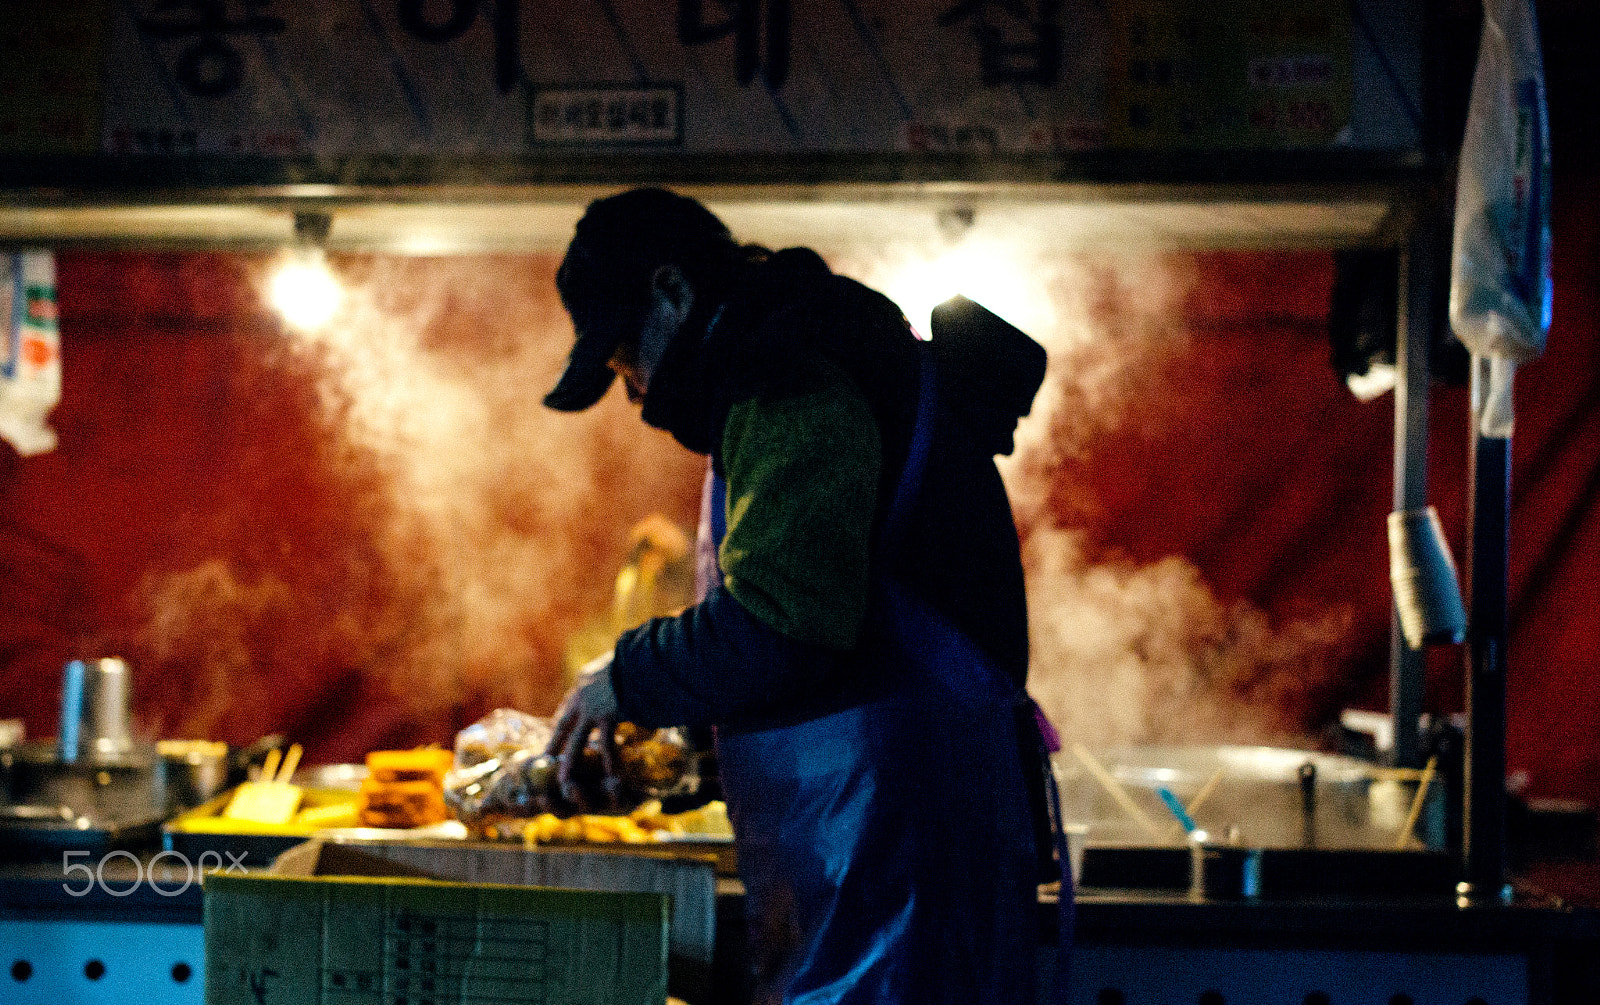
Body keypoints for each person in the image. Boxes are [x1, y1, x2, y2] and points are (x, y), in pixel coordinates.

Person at [542, 187, 1066, 1005]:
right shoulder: (787, 359)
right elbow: (830, 653)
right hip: (871, 861)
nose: (636, 393)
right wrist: (692, 766)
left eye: (624, 357)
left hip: (897, 868)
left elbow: (787, 625)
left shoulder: (790, 375)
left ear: (674, 293)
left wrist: (624, 674)